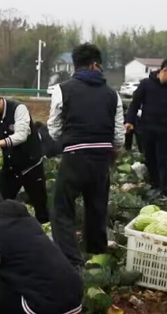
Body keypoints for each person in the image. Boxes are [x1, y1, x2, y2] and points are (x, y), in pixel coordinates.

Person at [47, 43, 125, 268]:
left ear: (76, 65)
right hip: (101, 158)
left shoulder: (63, 89)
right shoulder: (113, 95)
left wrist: (69, 141)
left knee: (62, 207)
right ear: (95, 65)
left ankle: (71, 260)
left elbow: (54, 129)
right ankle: (96, 251)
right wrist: (113, 154)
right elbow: (118, 136)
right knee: (97, 205)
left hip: (74, 157)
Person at [0, 84, 49, 223]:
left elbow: (21, 135)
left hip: (31, 165)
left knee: (40, 208)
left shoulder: (18, 109)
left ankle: (46, 235)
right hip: (10, 168)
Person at [125, 59, 167, 197]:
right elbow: (135, 104)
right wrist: (129, 121)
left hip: (165, 130)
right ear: (163, 70)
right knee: (150, 158)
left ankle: (165, 190)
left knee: (162, 160)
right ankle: (154, 185)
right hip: (146, 129)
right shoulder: (146, 85)